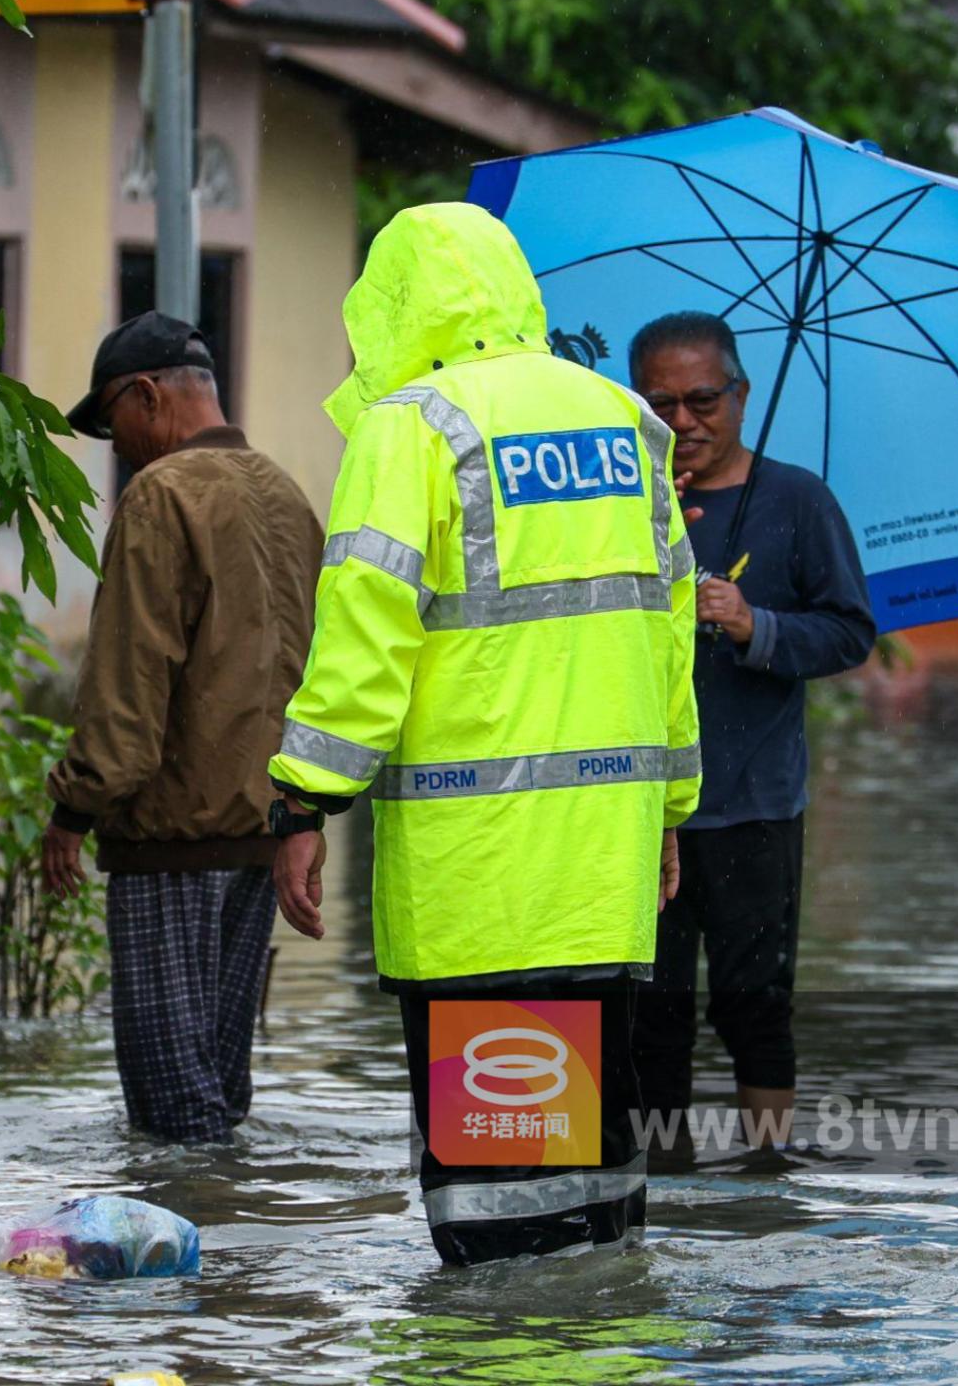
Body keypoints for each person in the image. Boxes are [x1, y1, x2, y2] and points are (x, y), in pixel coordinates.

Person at [264, 204, 700, 1266]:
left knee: (502, 1215)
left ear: (398, 306)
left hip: (482, 882)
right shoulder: (630, 421)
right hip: (602, 866)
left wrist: (305, 799)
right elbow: (669, 635)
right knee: (596, 1181)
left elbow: (367, 629)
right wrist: (670, 810)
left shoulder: (415, 424)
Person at [42, 311, 324, 1145]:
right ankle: (235, 1263)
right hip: (263, 837)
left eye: (112, 421)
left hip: (172, 840)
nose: (117, 443)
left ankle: (183, 1268)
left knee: (172, 1112)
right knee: (219, 1096)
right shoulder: (285, 493)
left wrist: (72, 811)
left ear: (146, 395)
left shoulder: (161, 496)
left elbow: (127, 689)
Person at [627, 311, 876, 1153]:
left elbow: (848, 631)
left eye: (703, 400)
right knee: (649, 1014)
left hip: (754, 804)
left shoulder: (798, 501)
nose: (684, 422)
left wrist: (754, 624)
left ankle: (769, 1177)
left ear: (741, 393)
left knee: (756, 1004)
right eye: (661, 404)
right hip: (642, 809)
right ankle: (663, 1183)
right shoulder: (625, 501)